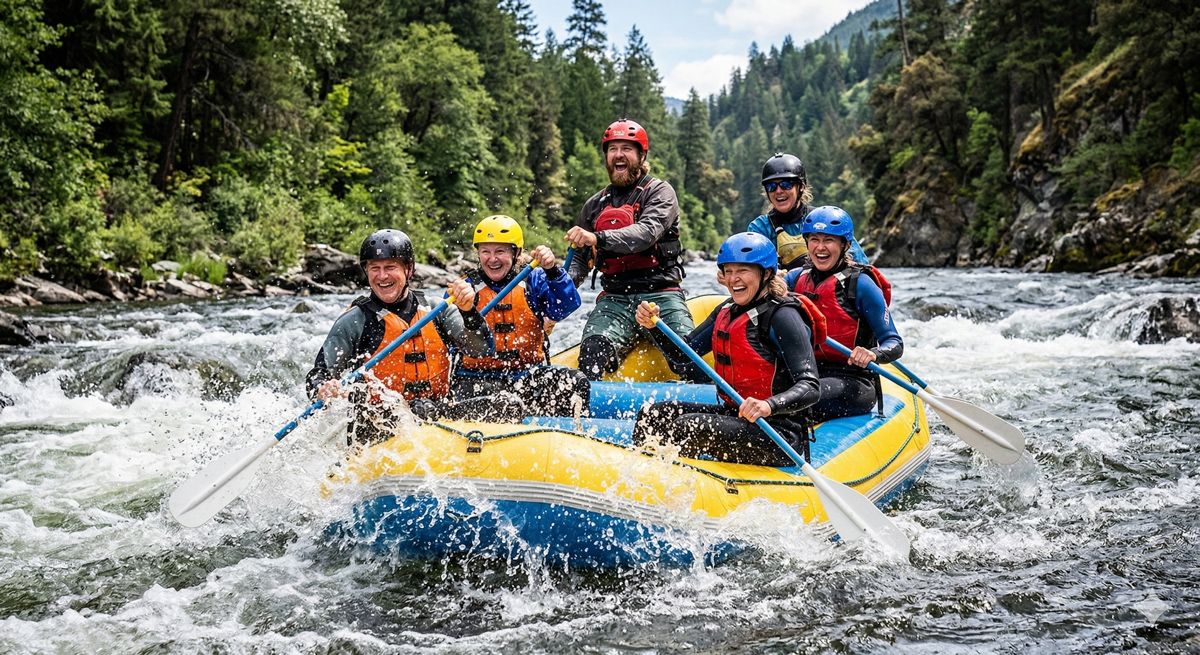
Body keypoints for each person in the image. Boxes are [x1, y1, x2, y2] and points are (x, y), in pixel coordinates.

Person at [631, 232, 824, 467]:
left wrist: (768, 405)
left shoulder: (783, 315)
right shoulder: (727, 309)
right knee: (653, 414)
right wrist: (654, 327)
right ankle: (641, 475)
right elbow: (682, 356)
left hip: (779, 432)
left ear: (766, 273)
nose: (734, 279)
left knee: (688, 426)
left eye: (743, 271)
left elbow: (810, 387)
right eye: (729, 271)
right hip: (737, 416)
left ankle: (674, 482)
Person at [305, 229, 494, 444]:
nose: (382, 276)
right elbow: (319, 374)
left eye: (390, 267)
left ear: (409, 269)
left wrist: (468, 311)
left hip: (437, 415)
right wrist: (323, 388)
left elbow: (481, 350)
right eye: (374, 268)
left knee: (503, 403)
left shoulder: (437, 310)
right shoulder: (354, 321)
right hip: (380, 426)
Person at [565, 118, 693, 381]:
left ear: (641, 155)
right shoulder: (594, 205)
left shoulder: (659, 192)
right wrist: (558, 284)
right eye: (613, 149)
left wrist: (597, 237)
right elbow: (580, 262)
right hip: (615, 298)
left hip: (661, 293)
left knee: (689, 358)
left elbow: (645, 234)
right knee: (591, 353)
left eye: (626, 148)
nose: (619, 155)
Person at [452, 214, 589, 417]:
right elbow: (448, 342)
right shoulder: (464, 289)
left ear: (516, 253)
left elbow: (565, 306)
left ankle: (569, 437)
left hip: (528, 376)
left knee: (575, 381)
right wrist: (465, 310)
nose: (492, 259)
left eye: (500, 251)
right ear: (478, 254)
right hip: (475, 379)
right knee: (501, 403)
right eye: (485, 252)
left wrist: (552, 271)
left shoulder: (534, 279)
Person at [784, 206, 902, 423]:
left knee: (796, 401)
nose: (820, 247)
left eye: (828, 240)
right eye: (814, 239)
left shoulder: (861, 284)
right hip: (807, 375)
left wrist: (873, 353)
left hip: (852, 381)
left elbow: (894, 342)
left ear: (844, 244)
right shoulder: (795, 278)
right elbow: (763, 292)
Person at [746, 153, 868, 270]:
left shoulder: (825, 219)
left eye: (786, 184)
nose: (778, 191)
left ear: (801, 187)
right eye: (771, 186)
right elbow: (753, 270)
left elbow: (860, 263)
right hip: (782, 289)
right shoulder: (760, 228)